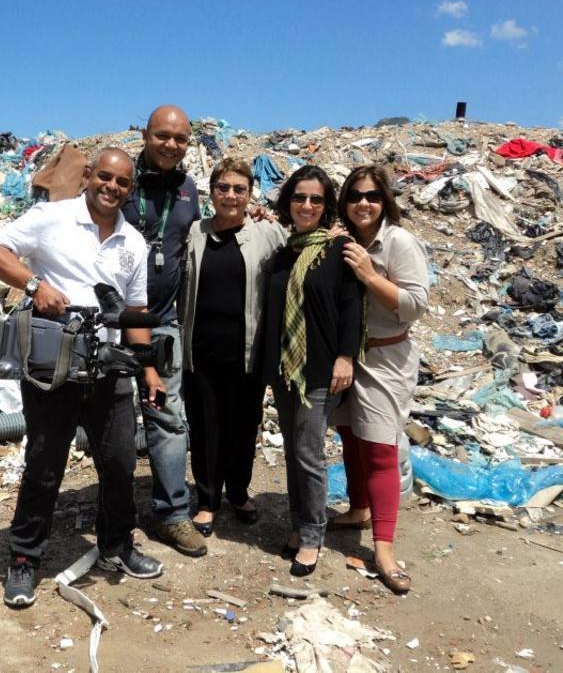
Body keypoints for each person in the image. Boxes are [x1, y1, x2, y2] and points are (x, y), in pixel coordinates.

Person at [0, 148, 165, 608]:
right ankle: (24, 559)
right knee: (44, 466)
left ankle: (117, 545)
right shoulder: (51, 218)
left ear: (130, 189)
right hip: (53, 369)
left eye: (122, 183)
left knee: (120, 463)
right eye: (105, 177)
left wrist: (149, 368)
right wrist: (33, 285)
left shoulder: (133, 243)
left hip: (108, 368)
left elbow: (135, 313)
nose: (112, 188)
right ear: (88, 176)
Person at [331, 165, 429, 594]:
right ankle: (358, 508)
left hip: (386, 356)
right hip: (350, 354)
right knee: (351, 435)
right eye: (354, 196)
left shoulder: (399, 242)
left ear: (384, 199)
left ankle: (384, 548)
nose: (363, 203)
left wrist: (370, 275)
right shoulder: (347, 239)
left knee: (380, 446)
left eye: (371, 196)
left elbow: (416, 304)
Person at [261, 165, 364, 576]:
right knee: (294, 452)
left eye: (316, 199)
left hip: (321, 372)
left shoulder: (339, 251)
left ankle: (311, 536)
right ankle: (299, 525)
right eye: (299, 198)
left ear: (327, 206)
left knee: (308, 455)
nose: (307, 205)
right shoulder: (284, 253)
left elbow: (352, 307)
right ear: (289, 203)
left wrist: (345, 357)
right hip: (288, 372)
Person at [180, 157, 286, 536]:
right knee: (205, 427)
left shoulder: (266, 234)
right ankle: (207, 500)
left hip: (246, 354)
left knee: (243, 426)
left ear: (250, 194)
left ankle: (239, 492)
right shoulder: (193, 232)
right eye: (223, 187)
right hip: (201, 352)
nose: (230, 195)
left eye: (239, 189)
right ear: (212, 192)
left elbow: (298, 261)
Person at [121, 105, 208, 557]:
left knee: (169, 420)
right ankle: (114, 515)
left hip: (164, 323)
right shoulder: (120, 182)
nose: (171, 145)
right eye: (162, 136)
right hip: (113, 327)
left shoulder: (189, 190)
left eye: (180, 138)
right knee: (114, 423)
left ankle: (173, 514)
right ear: (145, 135)